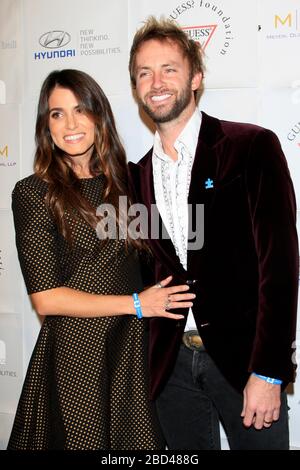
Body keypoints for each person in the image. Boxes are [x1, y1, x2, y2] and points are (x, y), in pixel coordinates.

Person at [128, 16, 299, 450]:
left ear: (197, 78)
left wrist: (269, 371)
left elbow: (278, 267)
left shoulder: (250, 147)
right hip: (172, 368)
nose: (157, 81)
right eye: (144, 72)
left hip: (245, 362)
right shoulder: (136, 176)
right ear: (135, 87)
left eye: (169, 68)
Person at [7, 68, 195, 450]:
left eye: (81, 110)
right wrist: (139, 304)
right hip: (76, 356)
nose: (70, 124)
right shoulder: (33, 193)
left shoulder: (133, 181)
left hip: (134, 351)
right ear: (46, 126)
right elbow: (47, 298)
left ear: (100, 116)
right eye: (57, 114)